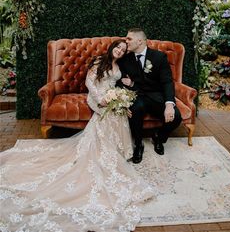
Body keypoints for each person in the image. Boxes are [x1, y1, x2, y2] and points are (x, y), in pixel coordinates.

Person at [0, 39, 153, 232]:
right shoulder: (100, 61)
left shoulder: (120, 65)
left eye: (123, 50)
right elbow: (90, 82)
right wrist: (102, 99)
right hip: (97, 97)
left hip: (111, 97)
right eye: (118, 48)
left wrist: (120, 95)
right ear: (112, 48)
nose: (120, 51)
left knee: (120, 113)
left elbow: (119, 84)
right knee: (111, 114)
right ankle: (105, 147)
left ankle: (118, 149)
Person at [118, 28, 182, 163]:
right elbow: (120, 81)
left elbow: (167, 82)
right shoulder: (124, 59)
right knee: (135, 110)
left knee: (176, 117)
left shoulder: (159, 57)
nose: (126, 41)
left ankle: (159, 137)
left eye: (129, 39)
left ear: (140, 41)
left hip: (156, 96)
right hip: (136, 95)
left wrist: (169, 104)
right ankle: (138, 144)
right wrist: (125, 97)